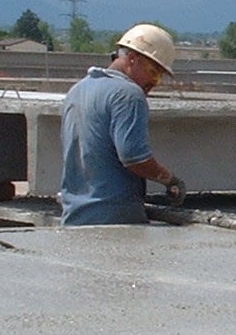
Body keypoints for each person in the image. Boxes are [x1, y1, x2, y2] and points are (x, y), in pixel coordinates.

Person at [59, 23, 186, 225]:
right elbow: (133, 157)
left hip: (75, 217)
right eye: (154, 72)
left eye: (160, 77)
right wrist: (170, 180)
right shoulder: (128, 95)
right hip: (114, 219)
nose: (155, 83)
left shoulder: (78, 90)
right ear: (132, 59)